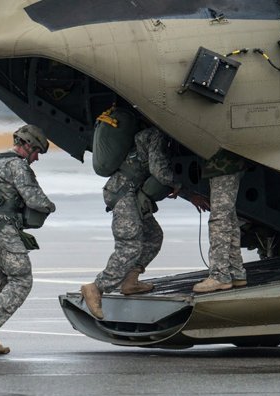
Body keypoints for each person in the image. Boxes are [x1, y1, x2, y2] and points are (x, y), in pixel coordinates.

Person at [81, 126, 209, 319]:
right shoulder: (155, 135)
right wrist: (186, 192)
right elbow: (160, 171)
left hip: (130, 193)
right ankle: (97, 288)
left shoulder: (155, 135)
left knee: (153, 235)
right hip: (123, 193)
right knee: (129, 245)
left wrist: (188, 195)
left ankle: (130, 280)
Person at [0, 125, 55, 355]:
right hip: (4, 230)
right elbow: (35, 199)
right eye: (36, 152)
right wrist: (50, 206)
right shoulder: (17, 165)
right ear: (26, 145)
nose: (36, 158)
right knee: (22, 279)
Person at [193, 151, 249, 293]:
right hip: (224, 165)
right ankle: (235, 272)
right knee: (229, 218)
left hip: (223, 164)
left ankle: (220, 275)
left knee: (220, 219)